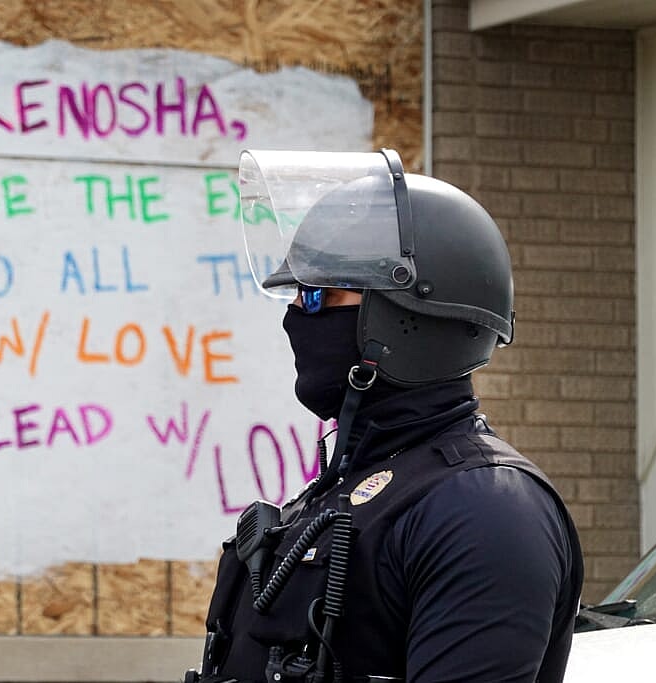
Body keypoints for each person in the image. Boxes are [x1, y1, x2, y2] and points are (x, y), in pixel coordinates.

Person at [187, 149, 583, 683]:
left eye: (318, 296)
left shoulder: (483, 508)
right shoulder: (343, 493)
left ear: (406, 316)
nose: (295, 318)